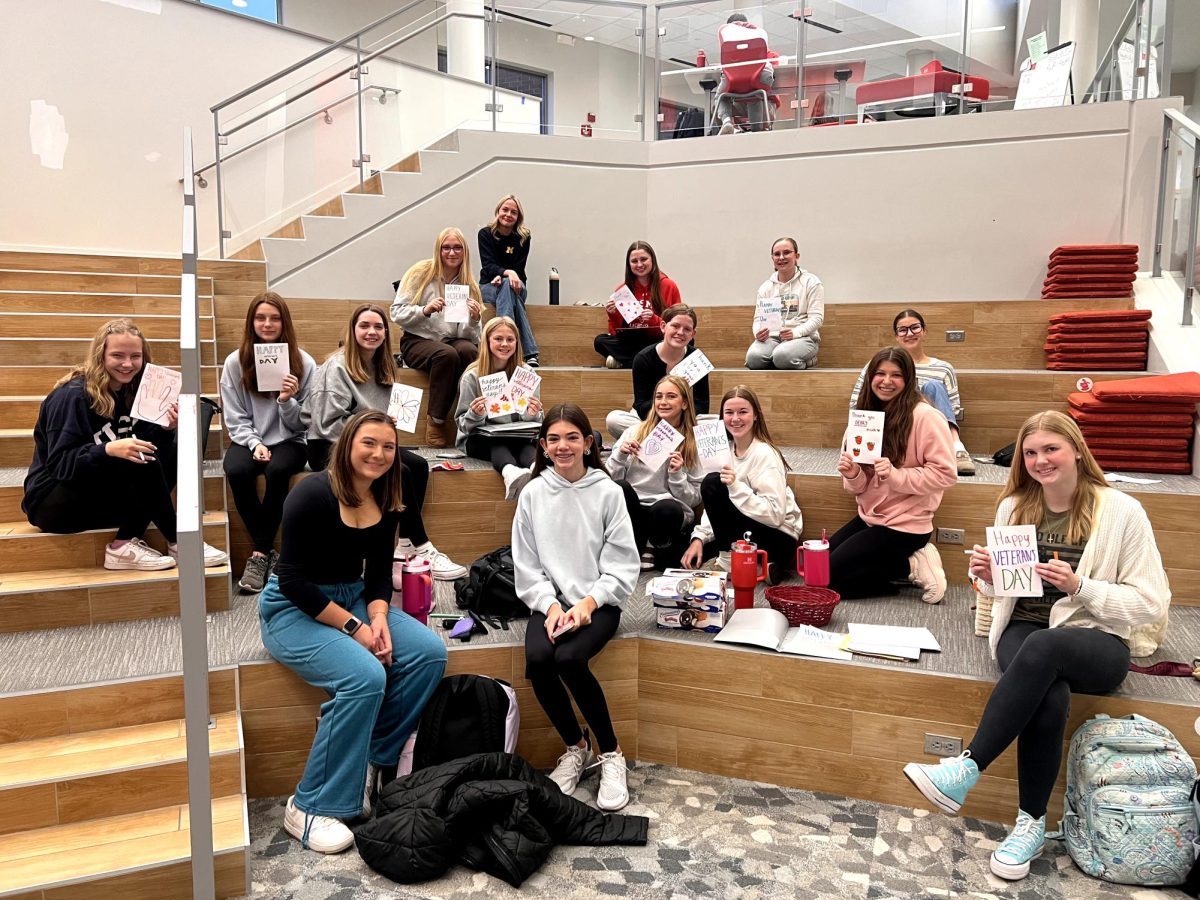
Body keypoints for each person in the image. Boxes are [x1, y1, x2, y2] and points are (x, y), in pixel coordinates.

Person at [902, 411, 1170, 882]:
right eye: (1030, 453)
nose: (1040, 460)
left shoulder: (1122, 511)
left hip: (1098, 640)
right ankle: (1030, 824)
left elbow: (1151, 602)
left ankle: (968, 768)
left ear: (1076, 451)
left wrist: (1080, 587)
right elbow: (1005, 590)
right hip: (1022, 631)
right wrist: (983, 575)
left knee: (1047, 650)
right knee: (1049, 691)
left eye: (1051, 449)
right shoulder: (1014, 507)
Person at [260, 409, 448, 854]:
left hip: (354, 597)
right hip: (293, 608)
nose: (379, 454)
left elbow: (380, 574)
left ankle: (370, 760)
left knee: (428, 652)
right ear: (347, 444)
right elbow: (292, 581)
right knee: (365, 678)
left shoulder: (385, 497)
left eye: (388, 446)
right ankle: (308, 806)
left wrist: (379, 617)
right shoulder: (311, 494)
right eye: (369, 443)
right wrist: (356, 629)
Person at [511, 403, 639, 812]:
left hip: (599, 602)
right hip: (550, 603)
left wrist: (588, 602)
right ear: (543, 446)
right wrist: (549, 606)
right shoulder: (532, 493)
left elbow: (622, 564)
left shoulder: (608, 492)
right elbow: (526, 564)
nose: (562, 446)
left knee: (568, 658)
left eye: (571, 437)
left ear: (587, 443)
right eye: (554, 439)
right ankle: (576, 747)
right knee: (537, 658)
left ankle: (611, 753)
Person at [22, 317, 228, 570]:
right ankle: (181, 542)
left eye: (135, 356)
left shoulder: (135, 393)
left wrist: (165, 428)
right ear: (101, 356)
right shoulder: (71, 396)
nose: (128, 364)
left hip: (102, 498)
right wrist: (108, 449)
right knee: (138, 460)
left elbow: (152, 455)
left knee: (169, 454)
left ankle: (123, 544)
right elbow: (60, 465)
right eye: (118, 355)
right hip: (54, 504)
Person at [304, 304, 465, 581]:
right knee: (398, 471)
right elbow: (325, 425)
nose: (372, 332)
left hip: (363, 443)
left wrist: (384, 424)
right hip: (329, 444)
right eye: (364, 326)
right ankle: (422, 545)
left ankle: (403, 545)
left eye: (378, 327)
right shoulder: (336, 368)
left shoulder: (383, 366)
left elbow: (374, 419)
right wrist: (372, 430)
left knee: (417, 465)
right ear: (352, 330)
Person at [832, 347, 956, 603]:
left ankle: (910, 566)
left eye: (896, 375)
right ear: (870, 377)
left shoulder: (927, 417)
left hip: (907, 524)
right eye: (880, 373)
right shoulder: (864, 415)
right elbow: (857, 487)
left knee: (831, 582)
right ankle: (907, 565)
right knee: (818, 568)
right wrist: (854, 474)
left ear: (908, 379)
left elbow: (946, 474)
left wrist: (897, 476)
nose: (887, 381)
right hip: (871, 518)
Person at [220, 292, 315, 592]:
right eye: (261, 317)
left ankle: (259, 554)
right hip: (248, 437)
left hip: (291, 438)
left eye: (274, 318)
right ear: (251, 323)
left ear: (284, 322)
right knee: (236, 470)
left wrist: (286, 401)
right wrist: (253, 442)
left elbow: (304, 422)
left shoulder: (304, 362)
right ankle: (266, 551)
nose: (268, 323)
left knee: (277, 471)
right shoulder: (235, 362)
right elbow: (234, 416)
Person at [681, 385, 801, 584]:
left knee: (713, 482)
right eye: (729, 413)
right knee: (686, 550)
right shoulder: (724, 451)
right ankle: (761, 566)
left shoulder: (764, 453)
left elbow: (775, 516)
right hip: (745, 531)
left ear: (755, 416)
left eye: (743, 412)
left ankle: (735, 562)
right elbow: (717, 507)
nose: (735, 418)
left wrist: (735, 486)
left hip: (778, 536)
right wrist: (699, 538)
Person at [850, 308, 976, 475]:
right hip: (892, 426)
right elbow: (856, 403)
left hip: (928, 429)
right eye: (902, 330)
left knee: (932, 386)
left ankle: (956, 447)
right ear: (896, 336)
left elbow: (953, 411)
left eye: (915, 328)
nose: (909, 334)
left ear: (924, 331)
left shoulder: (943, 368)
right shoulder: (877, 365)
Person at [391, 227, 483, 447]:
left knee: (470, 352)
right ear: (438, 250)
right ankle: (436, 420)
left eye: (457, 248)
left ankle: (466, 414)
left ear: (465, 252)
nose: (451, 253)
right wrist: (424, 310)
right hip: (417, 339)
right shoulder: (420, 273)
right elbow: (396, 313)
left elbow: (469, 337)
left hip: (451, 340)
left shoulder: (468, 284)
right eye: (446, 247)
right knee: (447, 355)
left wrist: (474, 319)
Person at [608, 375, 703, 572]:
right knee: (620, 488)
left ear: (684, 403)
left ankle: (651, 543)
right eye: (659, 396)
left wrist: (677, 475)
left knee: (667, 508)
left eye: (671, 396)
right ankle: (635, 543)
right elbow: (608, 481)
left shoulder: (693, 442)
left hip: (664, 513)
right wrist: (619, 455)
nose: (663, 402)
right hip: (633, 508)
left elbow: (694, 500)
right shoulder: (634, 432)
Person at [454, 315, 543, 499]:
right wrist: (476, 414)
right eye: (498, 339)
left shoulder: (526, 373)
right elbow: (462, 424)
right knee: (499, 442)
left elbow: (537, 419)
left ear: (517, 343)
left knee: (525, 445)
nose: (505, 344)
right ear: (487, 341)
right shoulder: (472, 376)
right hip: (479, 439)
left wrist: (532, 413)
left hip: (519, 437)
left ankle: (537, 471)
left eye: (510, 339)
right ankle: (510, 472)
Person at [605, 305, 709, 439]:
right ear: (663, 326)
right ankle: (670, 438)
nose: (680, 332)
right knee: (614, 420)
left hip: (684, 419)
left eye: (687, 329)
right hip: (649, 418)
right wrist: (667, 404)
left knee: (713, 423)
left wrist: (678, 415)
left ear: (693, 334)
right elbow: (641, 407)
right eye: (675, 326)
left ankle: (661, 438)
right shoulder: (643, 358)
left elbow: (702, 405)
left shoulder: (697, 360)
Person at [593, 241, 682, 370]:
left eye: (644, 259)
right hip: (633, 341)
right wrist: (613, 315)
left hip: (659, 339)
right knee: (600, 341)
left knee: (687, 342)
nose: (639, 264)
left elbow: (678, 323)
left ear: (652, 260)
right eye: (634, 261)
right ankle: (652, 362)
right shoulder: (622, 290)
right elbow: (614, 333)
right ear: (629, 265)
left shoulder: (668, 285)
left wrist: (654, 320)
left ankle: (626, 362)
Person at [744, 237, 823, 371]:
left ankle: (808, 361)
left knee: (782, 356)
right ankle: (778, 359)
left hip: (803, 338)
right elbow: (758, 319)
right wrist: (757, 332)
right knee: (753, 359)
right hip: (773, 338)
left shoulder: (812, 282)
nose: (781, 257)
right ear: (772, 259)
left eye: (786, 252)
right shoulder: (766, 287)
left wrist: (795, 332)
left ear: (796, 256)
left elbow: (817, 319)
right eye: (777, 254)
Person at [479, 194, 539, 367]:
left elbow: (519, 269)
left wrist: (508, 275)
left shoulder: (523, 237)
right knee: (508, 289)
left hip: (516, 285)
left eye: (513, 212)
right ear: (498, 211)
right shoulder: (485, 234)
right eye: (505, 210)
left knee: (507, 285)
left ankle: (499, 343)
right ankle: (530, 352)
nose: (508, 214)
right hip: (488, 285)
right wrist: (504, 273)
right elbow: (487, 264)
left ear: (518, 217)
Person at [714, 13, 776, 135]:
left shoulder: (727, 34)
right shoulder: (758, 32)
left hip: (735, 78)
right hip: (763, 76)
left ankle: (726, 121)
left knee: (721, 96)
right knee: (754, 93)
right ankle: (756, 130)